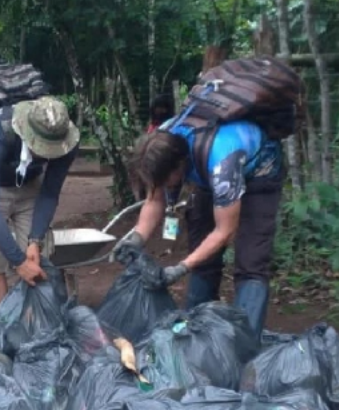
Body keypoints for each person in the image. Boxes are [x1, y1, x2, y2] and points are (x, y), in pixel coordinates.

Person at [114, 117, 285, 339]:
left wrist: (181, 267)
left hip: (259, 172)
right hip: (207, 173)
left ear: (180, 165)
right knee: (202, 256)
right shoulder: (161, 141)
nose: (165, 187)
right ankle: (195, 332)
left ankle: (245, 345)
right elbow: (155, 199)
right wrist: (136, 238)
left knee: (251, 262)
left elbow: (224, 232)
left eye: (168, 181)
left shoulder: (223, 165)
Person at [0, 95, 80, 311]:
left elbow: (50, 193)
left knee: (39, 258)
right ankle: (1, 330)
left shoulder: (67, 142)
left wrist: (35, 240)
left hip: (30, 182)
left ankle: (34, 331)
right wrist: (18, 262)